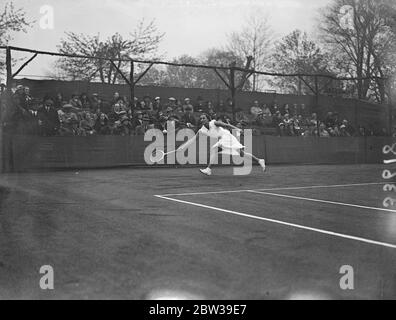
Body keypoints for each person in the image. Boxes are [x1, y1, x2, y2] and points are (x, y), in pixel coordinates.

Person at [176, 114, 266, 176]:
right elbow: (193, 140)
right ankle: (259, 160)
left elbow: (226, 125)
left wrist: (237, 129)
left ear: (208, 118)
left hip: (227, 136)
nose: (202, 119)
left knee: (215, 149)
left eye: (204, 118)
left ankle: (208, 169)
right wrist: (182, 147)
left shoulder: (214, 123)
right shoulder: (202, 130)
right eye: (201, 118)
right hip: (223, 139)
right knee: (241, 153)